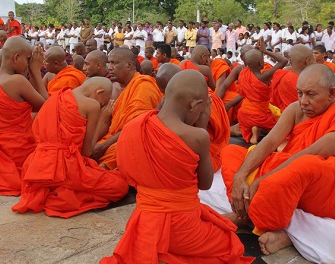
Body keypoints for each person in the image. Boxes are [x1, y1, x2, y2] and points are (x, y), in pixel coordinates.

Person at [221, 64, 335, 256]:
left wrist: (261, 181)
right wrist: (241, 175)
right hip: (293, 174)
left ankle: (256, 219)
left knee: (305, 165)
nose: (303, 101)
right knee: (232, 153)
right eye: (300, 93)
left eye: (311, 95)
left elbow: (313, 153)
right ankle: (248, 212)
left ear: (331, 93)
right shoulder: (297, 109)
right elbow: (270, 142)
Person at [101, 70, 250, 263]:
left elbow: (126, 169)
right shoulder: (197, 136)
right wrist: (201, 127)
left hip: (144, 222)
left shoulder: (135, 126)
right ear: (196, 105)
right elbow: (205, 184)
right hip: (183, 226)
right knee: (230, 245)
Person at [13, 77, 129, 218]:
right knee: (119, 186)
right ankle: (62, 194)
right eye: (102, 102)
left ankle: (56, 190)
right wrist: (103, 118)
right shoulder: (92, 105)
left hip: (37, 165)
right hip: (67, 167)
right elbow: (87, 151)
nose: (100, 105)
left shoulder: (55, 98)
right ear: (99, 91)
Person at [0, 36, 47, 196]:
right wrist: (36, 71)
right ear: (17, 57)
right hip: (17, 148)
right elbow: (47, 107)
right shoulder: (17, 81)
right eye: (28, 59)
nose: (29, 63)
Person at [93, 48, 162, 170]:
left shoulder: (144, 86)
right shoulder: (118, 87)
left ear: (129, 65)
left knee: (104, 166)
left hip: (131, 141)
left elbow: (136, 128)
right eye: (109, 63)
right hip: (112, 138)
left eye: (114, 63)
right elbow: (109, 124)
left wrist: (102, 148)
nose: (109, 67)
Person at [232, 40, 288, 144]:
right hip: (260, 116)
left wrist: (258, 52)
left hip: (244, 114)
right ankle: (258, 129)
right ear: (261, 62)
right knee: (279, 126)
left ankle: (255, 130)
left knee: (245, 126)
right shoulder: (263, 77)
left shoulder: (244, 73)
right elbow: (283, 61)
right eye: (262, 59)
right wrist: (265, 51)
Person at [270, 45, 314, 112]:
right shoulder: (303, 83)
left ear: (290, 61)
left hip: (282, 117)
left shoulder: (281, 75)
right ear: (308, 61)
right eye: (314, 60)